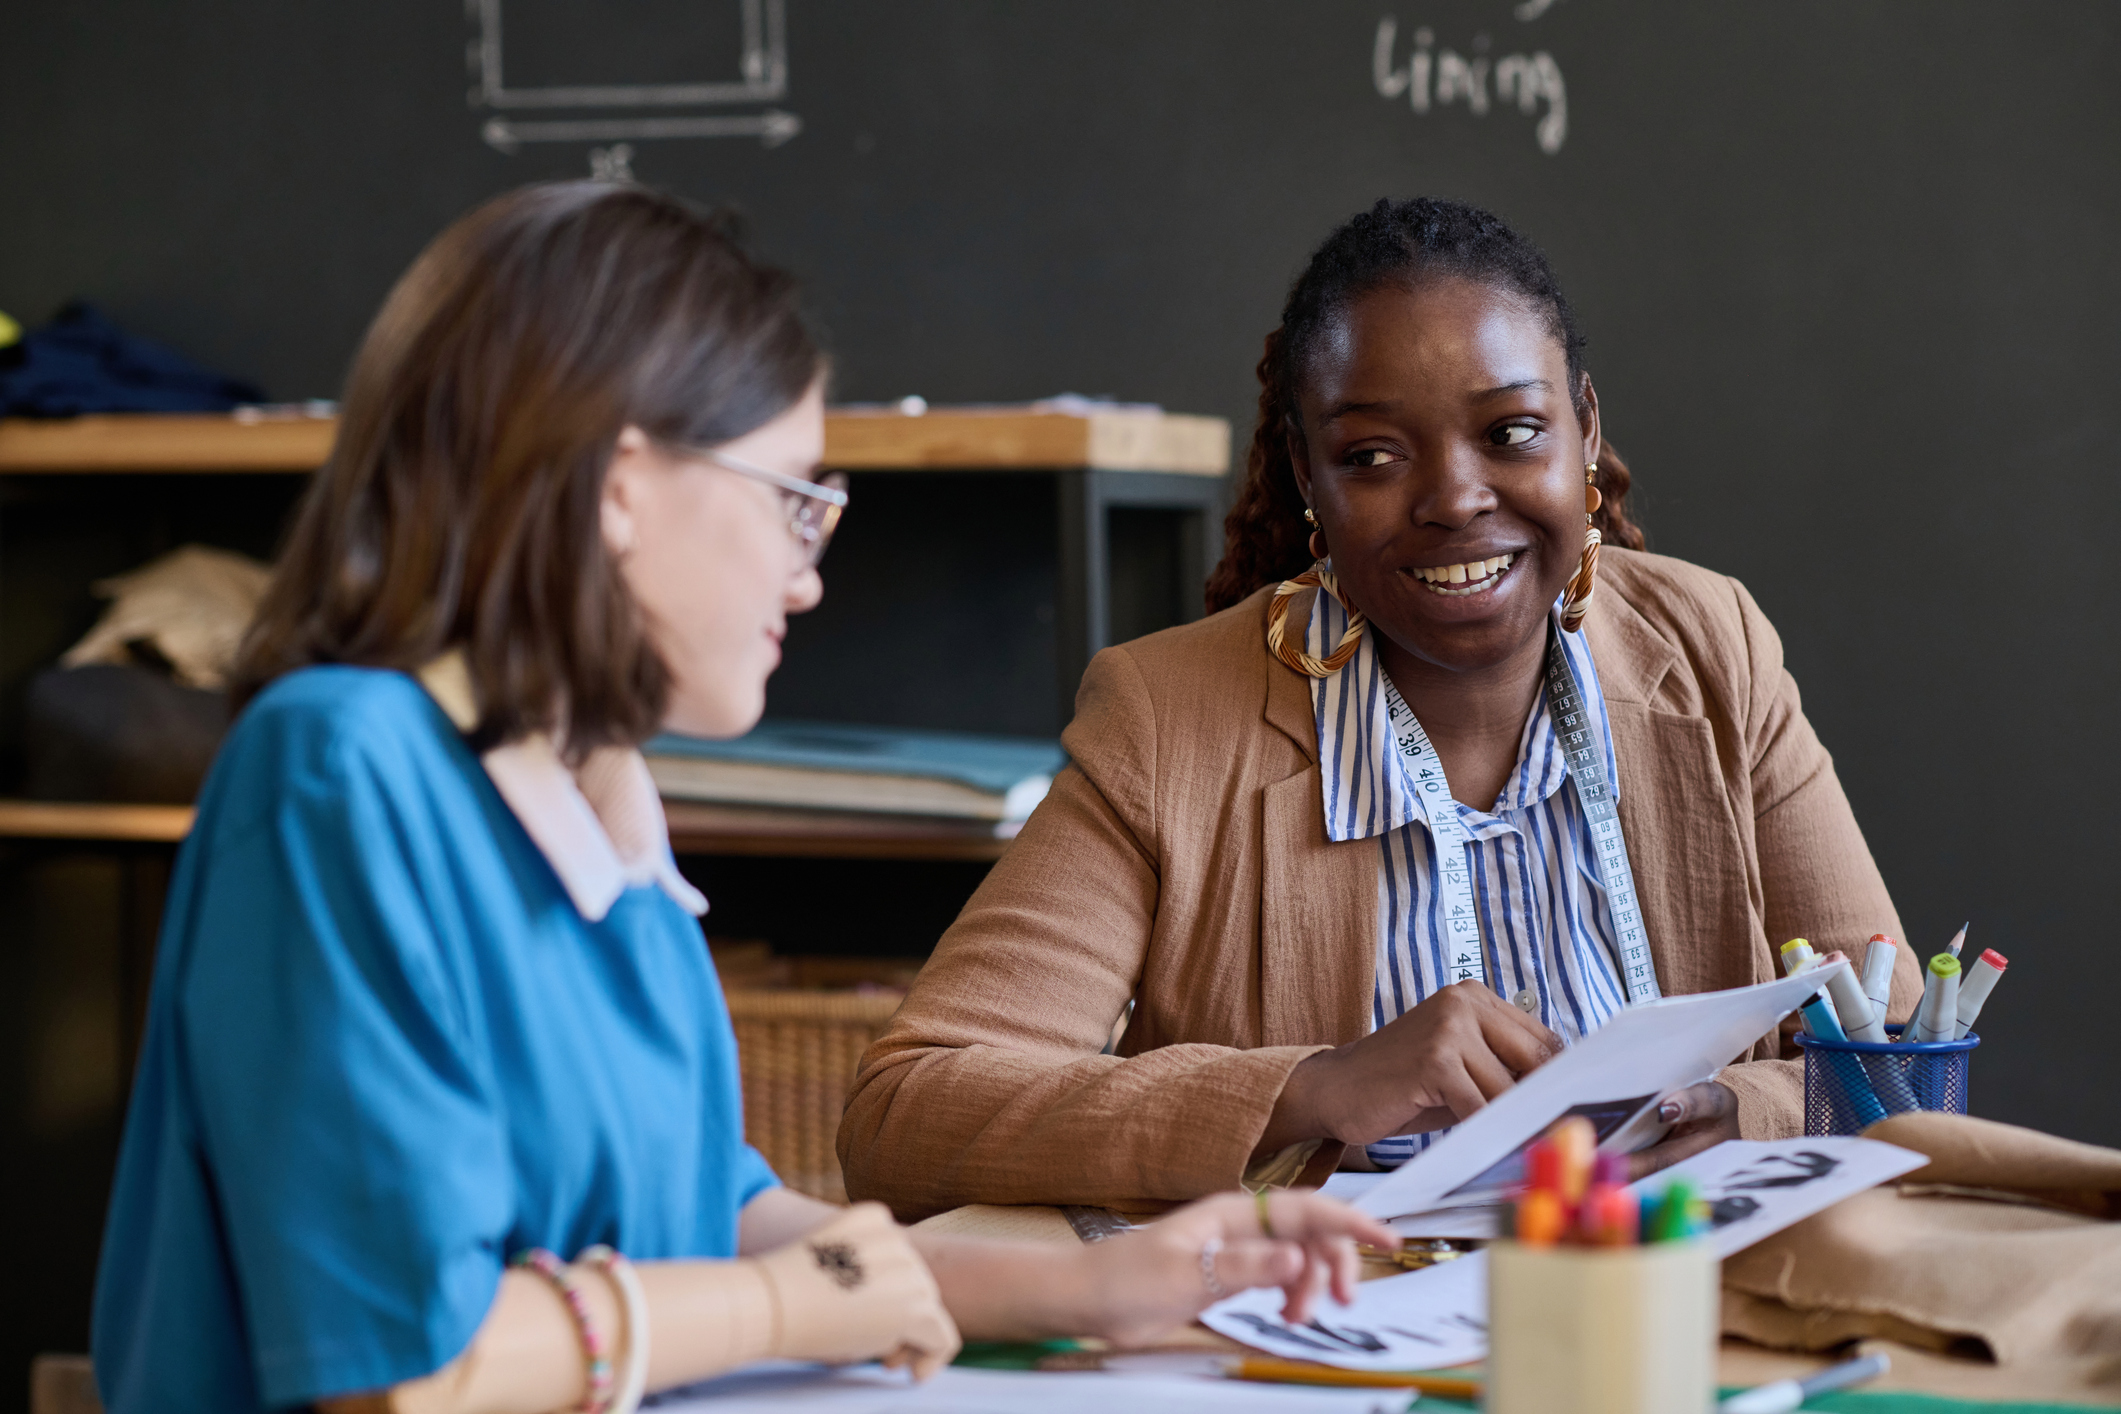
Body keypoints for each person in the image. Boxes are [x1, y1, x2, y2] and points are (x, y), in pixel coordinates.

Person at [90, 182, 1395, 1414]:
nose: (806, 575)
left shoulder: (604, 808)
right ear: (615, 483)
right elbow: (415, 1363)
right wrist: (783, 1301)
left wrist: (1111, 1281)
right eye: (791, 500)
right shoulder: (340, 768)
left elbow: (713, 1213)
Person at [840, 196, 1925, 1220]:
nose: (1455, 498)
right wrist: (1314, 1088)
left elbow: (1903, 1055)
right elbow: (908, 1110)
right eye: (1372, 455)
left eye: (1511, 433)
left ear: (1584, 433)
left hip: (1680, 1302)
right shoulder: (1167, 719)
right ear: (1308, 479)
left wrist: (1741, 1114)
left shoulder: (1710, 650)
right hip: (1338, 1345)